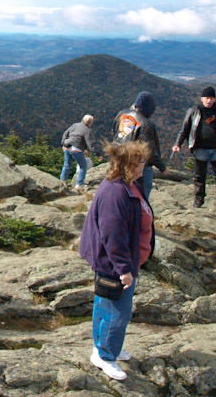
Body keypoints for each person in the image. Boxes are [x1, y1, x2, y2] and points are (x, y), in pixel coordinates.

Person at [79, 140, 154, 382]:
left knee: (105, 304)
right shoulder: (115, 192)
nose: (145, 165)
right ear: (130, 164)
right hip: (114, 263)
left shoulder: (128, 185)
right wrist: (123, 269)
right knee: (117, 311)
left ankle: (104, 346)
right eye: (142, 161)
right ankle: (106, 356)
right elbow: (113, 235)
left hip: (122, 259)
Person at [172, 86, 216, 208]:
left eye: (211, 98)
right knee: (199, 176)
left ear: (214, 99)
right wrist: (177, 144)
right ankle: (199, 200)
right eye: (207, 98)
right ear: (202, 98)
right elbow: (184, 129)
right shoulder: (194, 111)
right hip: (201, 149)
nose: (209, 101)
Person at [112, 91, 168, 200]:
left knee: (122, 191)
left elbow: (114, 132)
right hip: (138, 165)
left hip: (119, 158)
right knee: (141, 193)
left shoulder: (122, 114)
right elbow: (149, 150)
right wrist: (162, 168)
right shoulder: (146, 123)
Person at [60, 115, 96, 191]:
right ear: (90, 122)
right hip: (77, 150)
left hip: (67, 147)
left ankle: (62, 181)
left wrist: (63, 143)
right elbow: (90, 144)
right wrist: (97, 153)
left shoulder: (74, 125)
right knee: (83, 166)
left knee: (66, 165)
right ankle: (79, 184)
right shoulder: (87, 130)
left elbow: (65, 134)